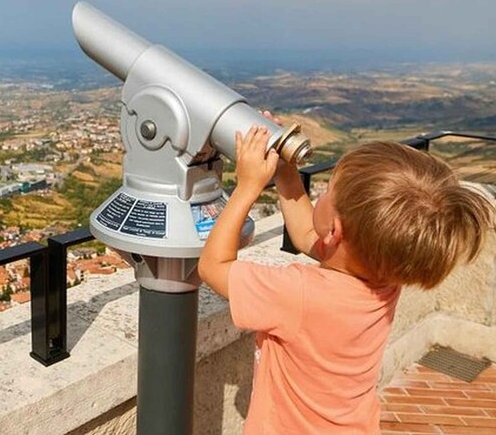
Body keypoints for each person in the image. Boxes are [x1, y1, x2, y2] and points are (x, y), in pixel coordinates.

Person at [197, 118, 494, 434]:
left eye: (328, 190)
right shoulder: (386, 277)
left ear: (335, 230)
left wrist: (247, 188)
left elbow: (213, 267)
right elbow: (306, 234)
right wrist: (285, 170)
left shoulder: (301, 294)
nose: (321, 194)